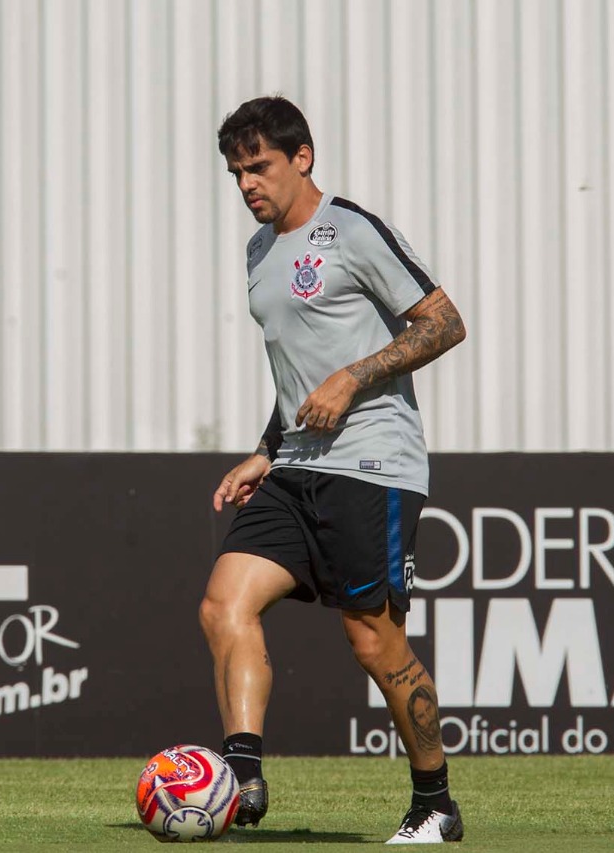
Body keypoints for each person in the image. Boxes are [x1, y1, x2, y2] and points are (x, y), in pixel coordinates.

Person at [201, 95, 467, 844]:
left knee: (373, 641)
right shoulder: (258, 252)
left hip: (372, 461)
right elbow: (296, 370)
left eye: (259, 166)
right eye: (236, 172)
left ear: (302, 158)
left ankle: (435, 802)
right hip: (295, 463)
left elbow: (445, 321)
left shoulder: (351, 229)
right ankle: (242, 778)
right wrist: (266, 446)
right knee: (224, 602)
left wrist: (353, 376)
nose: (248, 183)